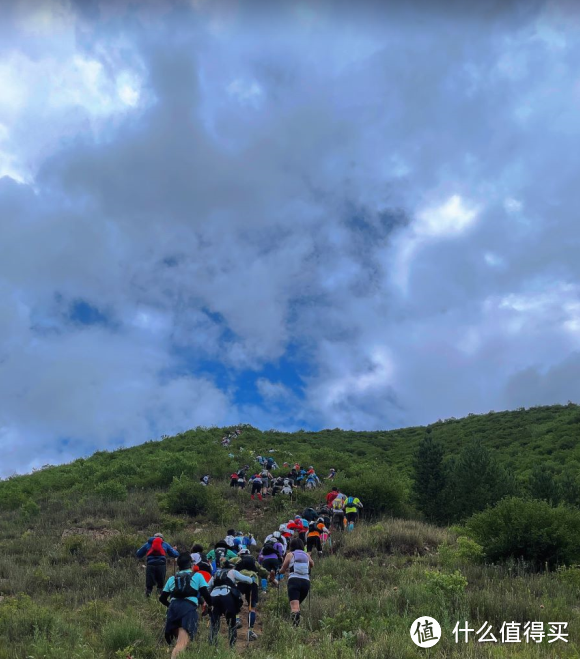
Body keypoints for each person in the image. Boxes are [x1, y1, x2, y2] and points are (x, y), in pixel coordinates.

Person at [159, 553, 212, 658]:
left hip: (173, 609)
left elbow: (162, 598)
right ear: (191, 564)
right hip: (188, 609)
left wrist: (170, 606)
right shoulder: (197, 576)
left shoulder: (172, 578)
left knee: (179, 641)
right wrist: (210, 606)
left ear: (178, 565)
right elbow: (206, 595)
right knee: (182, 643)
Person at [208, 559, 253, 647]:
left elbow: (208, 586)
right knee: (231, 623)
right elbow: (248, 580)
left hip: (214, 597)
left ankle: (212, 646)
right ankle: (232, 646)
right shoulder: (233, 572)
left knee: (214, 624)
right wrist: (252, 578)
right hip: (227, 597)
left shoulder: (216, 574)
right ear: (232, 567)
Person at [232, 547, 269, 640]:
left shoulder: (238, 559)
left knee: (235, 601)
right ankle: (250, 632)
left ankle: (236, 619)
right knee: (252, 607)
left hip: (240, 581)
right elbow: (263, 571)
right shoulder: (254, 561)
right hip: (253, 582)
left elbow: (226, 562)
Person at [279, 538, 314, 627]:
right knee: (297, 606)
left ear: (291, 546)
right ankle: (296, 625)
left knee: (294, 606)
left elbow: (283, 570)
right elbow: (312, 564)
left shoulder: (290, 554)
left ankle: (294, 628)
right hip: (306, 582)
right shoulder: (306, 555)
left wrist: (280, 571)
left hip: (294, 581)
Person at [136, 533, 180, 597]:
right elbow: (175, 554)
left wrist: (139, 550)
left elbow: (138, 554)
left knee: (149, 586)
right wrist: (175, 550)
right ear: (162, 538)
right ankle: (159, 599)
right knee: (160, 586)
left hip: (150, 565)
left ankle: (148, 598)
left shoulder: (148, 544)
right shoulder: (165, 544)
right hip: (161, 565)